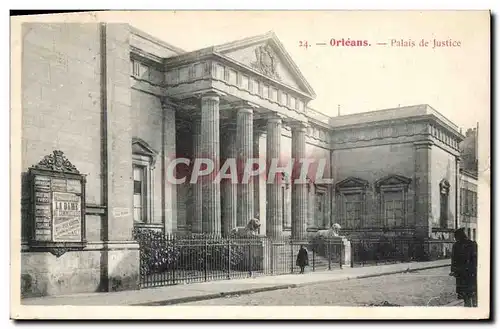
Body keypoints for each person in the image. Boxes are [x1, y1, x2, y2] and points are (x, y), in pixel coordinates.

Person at [450, 228, 478, 307]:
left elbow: (453, 260)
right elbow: (476, 259)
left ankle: (468, 309)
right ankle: (475, 308)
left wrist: (453, 271)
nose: (455, 238)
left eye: (456, 237)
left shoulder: (456, 245)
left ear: (459, 236)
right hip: (471, 273)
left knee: (466, 295)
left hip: (461, 274)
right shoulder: (472, 244)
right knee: (473, 293)